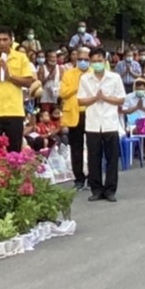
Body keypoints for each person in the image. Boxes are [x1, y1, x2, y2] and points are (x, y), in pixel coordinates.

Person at [77, 47, 125, 202]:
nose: (97, 64)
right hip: (92, 123)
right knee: (93, 158)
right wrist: (94, 98)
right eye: (94, 61)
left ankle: (110, 190)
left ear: (105, 61)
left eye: (100, 61)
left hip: (110, 122)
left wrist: (104, 98)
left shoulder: (114, 78)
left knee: (111, 158)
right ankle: (96, 189)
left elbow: (121, 99)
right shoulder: (85, 79)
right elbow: (81, 100)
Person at [59, 46, 87, 189]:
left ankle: (94, 177)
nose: (82, 61)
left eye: (85, 59)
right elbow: (63, 93)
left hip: (91, 114)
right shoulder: (68, 74)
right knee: (76, 148)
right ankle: (79, 178)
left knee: (93, 147)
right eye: (80, 59)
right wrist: (78, 85)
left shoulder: (95, 73)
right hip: (74, 114)